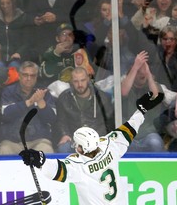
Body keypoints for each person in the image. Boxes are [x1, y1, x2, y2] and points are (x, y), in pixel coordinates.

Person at [19, 91, 164, 205]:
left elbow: (58, 170)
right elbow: (129, 129)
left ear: (82, 148)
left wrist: (39, 159)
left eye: (77, 145)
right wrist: (141, 111)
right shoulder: (109, 145)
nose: (76, 147)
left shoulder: (80, 165)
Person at [0, 61, 56, 155]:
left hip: (39, 141)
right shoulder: (8, 91)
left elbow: (51, 119)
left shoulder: (44, 93)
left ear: (36, 77)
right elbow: (6, 115)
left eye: (32, 75)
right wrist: (29, 102)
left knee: (46, 149)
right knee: (4, 150)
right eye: (25, 75)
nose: (29, 78)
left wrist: (41, 102)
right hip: (12, 142)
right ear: (19, 76)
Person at [55, 67, 114, 153]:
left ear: (88, 79)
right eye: (76, 81)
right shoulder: (64, 98)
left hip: (96, 139)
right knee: (64, 148)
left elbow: (107, 124)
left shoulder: (102, 97)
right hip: (73, 139)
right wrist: (65, 135)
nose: (80, 85)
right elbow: (61, 121)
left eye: (82, 80)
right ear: (71, 81)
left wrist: (91, 140)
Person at [121, 50, 166, 152]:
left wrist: (149, 74)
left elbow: (156, 96)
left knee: (155, 143)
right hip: (129, 132)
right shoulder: (127, 86)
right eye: (138, 72)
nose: (142, 75)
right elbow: (123, 92)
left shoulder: (153, 86)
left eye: (144, 72)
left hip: (148, 134)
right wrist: (135, 66)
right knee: (124, 144)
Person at [0, 0, 29, 68]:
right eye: (2, 3)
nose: (5, 6)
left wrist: (19, 53)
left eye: (8, 3)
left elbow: (27, 41)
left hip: (16, 58)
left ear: (13, 2)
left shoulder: (23, 18)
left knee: (14, 69)